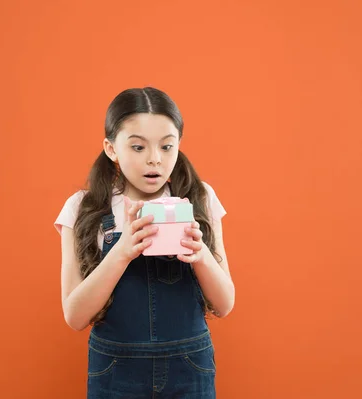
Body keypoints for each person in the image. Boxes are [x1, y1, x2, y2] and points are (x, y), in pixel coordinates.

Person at [54, 87, 235, 398]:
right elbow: (75, 315)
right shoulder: (83, 207)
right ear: (111, 148)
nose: (154, 159)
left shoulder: (200, 197)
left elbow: (225, 304)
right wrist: (122, 251)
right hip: (115, 370)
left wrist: (200, 253)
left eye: (167, 146)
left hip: (189, 367)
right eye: (138, 147)